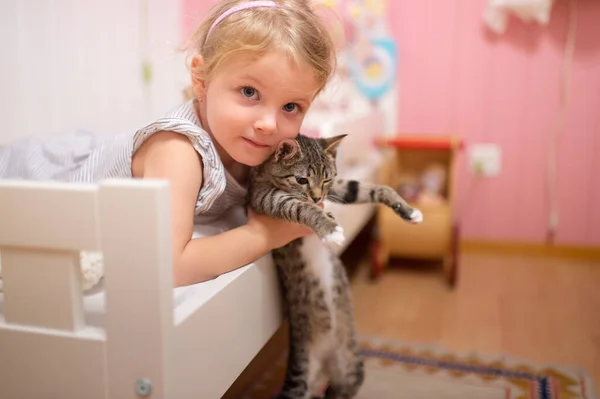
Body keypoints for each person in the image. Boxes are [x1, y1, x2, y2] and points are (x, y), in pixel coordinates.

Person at [0, 0, 337, 287]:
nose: (268, 124)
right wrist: (265, 234)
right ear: (201, 79)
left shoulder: (260, 147)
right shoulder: (178, 151)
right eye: (249, 92)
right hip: (30, 179)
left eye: (291, 107)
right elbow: (168, 267)